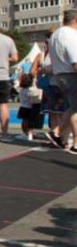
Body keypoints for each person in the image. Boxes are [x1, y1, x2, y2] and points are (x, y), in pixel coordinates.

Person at [44, 10, 77, 152]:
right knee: (76, 109)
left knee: (72, 107)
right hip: (71, 74)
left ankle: (57, 133)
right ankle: (74, 143)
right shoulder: (71, 35)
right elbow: (75, 61)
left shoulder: (55, 35)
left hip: (59, 75)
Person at [16, 73, 43, 141]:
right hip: (31, 107)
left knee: (24, 121)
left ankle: (25, 133)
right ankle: (30, 133)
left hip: (23, 107)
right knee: (30, 122)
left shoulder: (21, 90)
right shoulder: (31, 90)